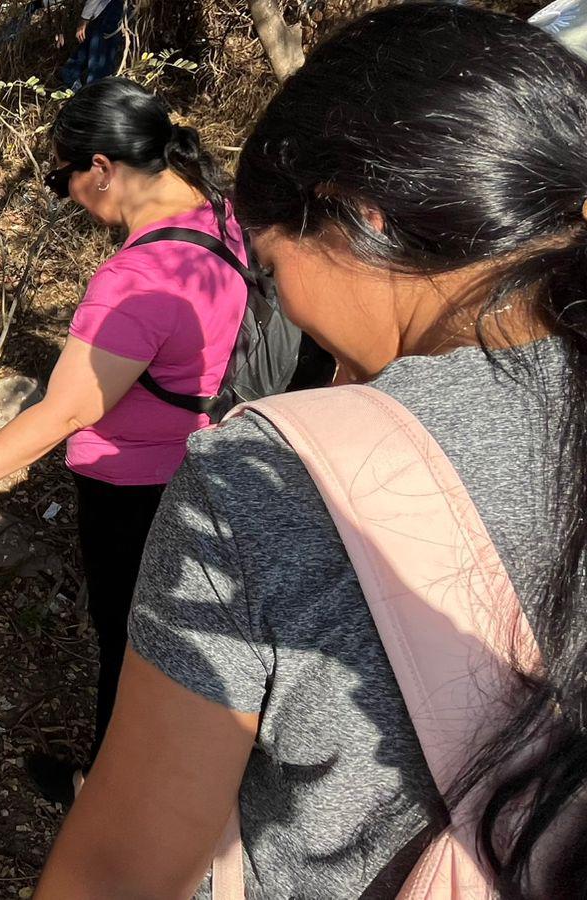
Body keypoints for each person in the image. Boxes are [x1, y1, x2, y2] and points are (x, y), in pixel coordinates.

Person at [34, 5, 587, 897]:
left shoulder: (271, 480)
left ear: (356, 213)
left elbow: (116, 872)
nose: (282, 303)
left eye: (277, 263)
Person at [0, 77, 247, 799]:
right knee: (171, 640)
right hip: (205, 469)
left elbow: (65, 411)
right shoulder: (221, 219)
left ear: (104, 167)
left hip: (136, 496)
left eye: (63, 178)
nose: (66, 196)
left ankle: (108, 796)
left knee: (131, 643)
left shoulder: (139, 277)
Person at [59, 0, 128, 89]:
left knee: (99, 62)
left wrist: (84, 19)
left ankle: (92, 92)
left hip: (109, 9)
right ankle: (74, 82)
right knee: (93, 49)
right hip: (107, 9)